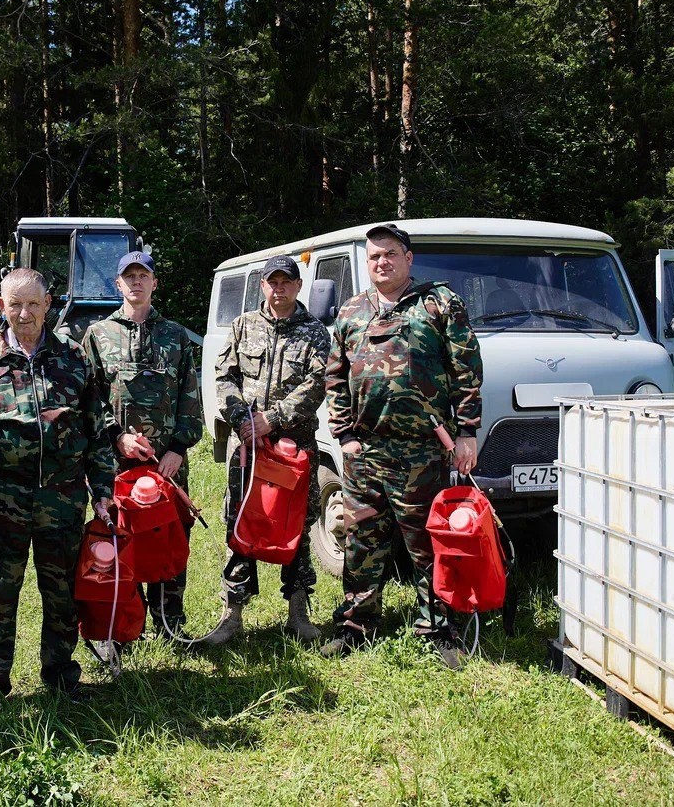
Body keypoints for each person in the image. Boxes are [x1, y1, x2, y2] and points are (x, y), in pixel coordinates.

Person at [0, 268, 116, 719]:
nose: (24, 313)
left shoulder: (75, 358)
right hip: (2, 498)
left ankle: (61, 674)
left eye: (33, 304)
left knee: (62, 592)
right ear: (0, 306)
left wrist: (102, 490)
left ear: (48, 305)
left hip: (61, 499)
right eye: (14, 304)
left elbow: (98, 431)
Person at [320, 223, 483, 670]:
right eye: (373, 256)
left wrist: (467, 432)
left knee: (426, 543)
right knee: (361, 538)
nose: (381, 263)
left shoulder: (440, 304)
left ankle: (436, 626)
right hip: (364, 453)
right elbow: (334, 377)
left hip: (422, 451)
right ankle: (356, 623)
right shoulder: (352, 311)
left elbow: (466, 370)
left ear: (408, 258)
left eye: (390, 254)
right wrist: (345, 435)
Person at [205, 255, 330, 644]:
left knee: (296, 524)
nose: (279, 288)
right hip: (249, 446)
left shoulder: (314, 332)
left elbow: (316, 383)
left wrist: (272, 419)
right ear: (263, 286)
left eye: (286, 282)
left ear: (297, 286)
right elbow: (224, 376)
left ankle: (298, 612)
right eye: (272, 281)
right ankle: (232, 614)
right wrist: (243, 419)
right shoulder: (243, 326)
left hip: (294, 446)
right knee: (241, 520)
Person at [81, 250, 201, 640]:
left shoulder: (176, 335)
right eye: (128, 276)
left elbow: (190, 396)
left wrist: (178, 448)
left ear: (154, 283)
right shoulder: (98, 336)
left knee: (167, 539)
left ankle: (170, 626)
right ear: (118, 284)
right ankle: (125, 626)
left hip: (166, 466)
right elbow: (90, 397)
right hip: (118, 467)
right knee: (121, 541)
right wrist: (117, 437)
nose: (136, 282)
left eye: (143, 275)